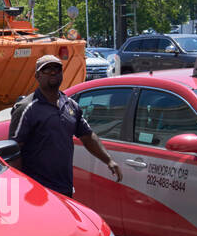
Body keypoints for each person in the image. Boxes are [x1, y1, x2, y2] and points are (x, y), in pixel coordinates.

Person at [9, 55, 121, 196]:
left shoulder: (71, 105)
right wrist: (22, 187)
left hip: (65, 188)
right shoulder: (26, 108)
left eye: (57, 69)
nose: (53, 72)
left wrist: (109, 160)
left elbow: (87, 136)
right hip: (37, 191)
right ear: (37, 76)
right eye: (46, 69)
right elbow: (13, 150)